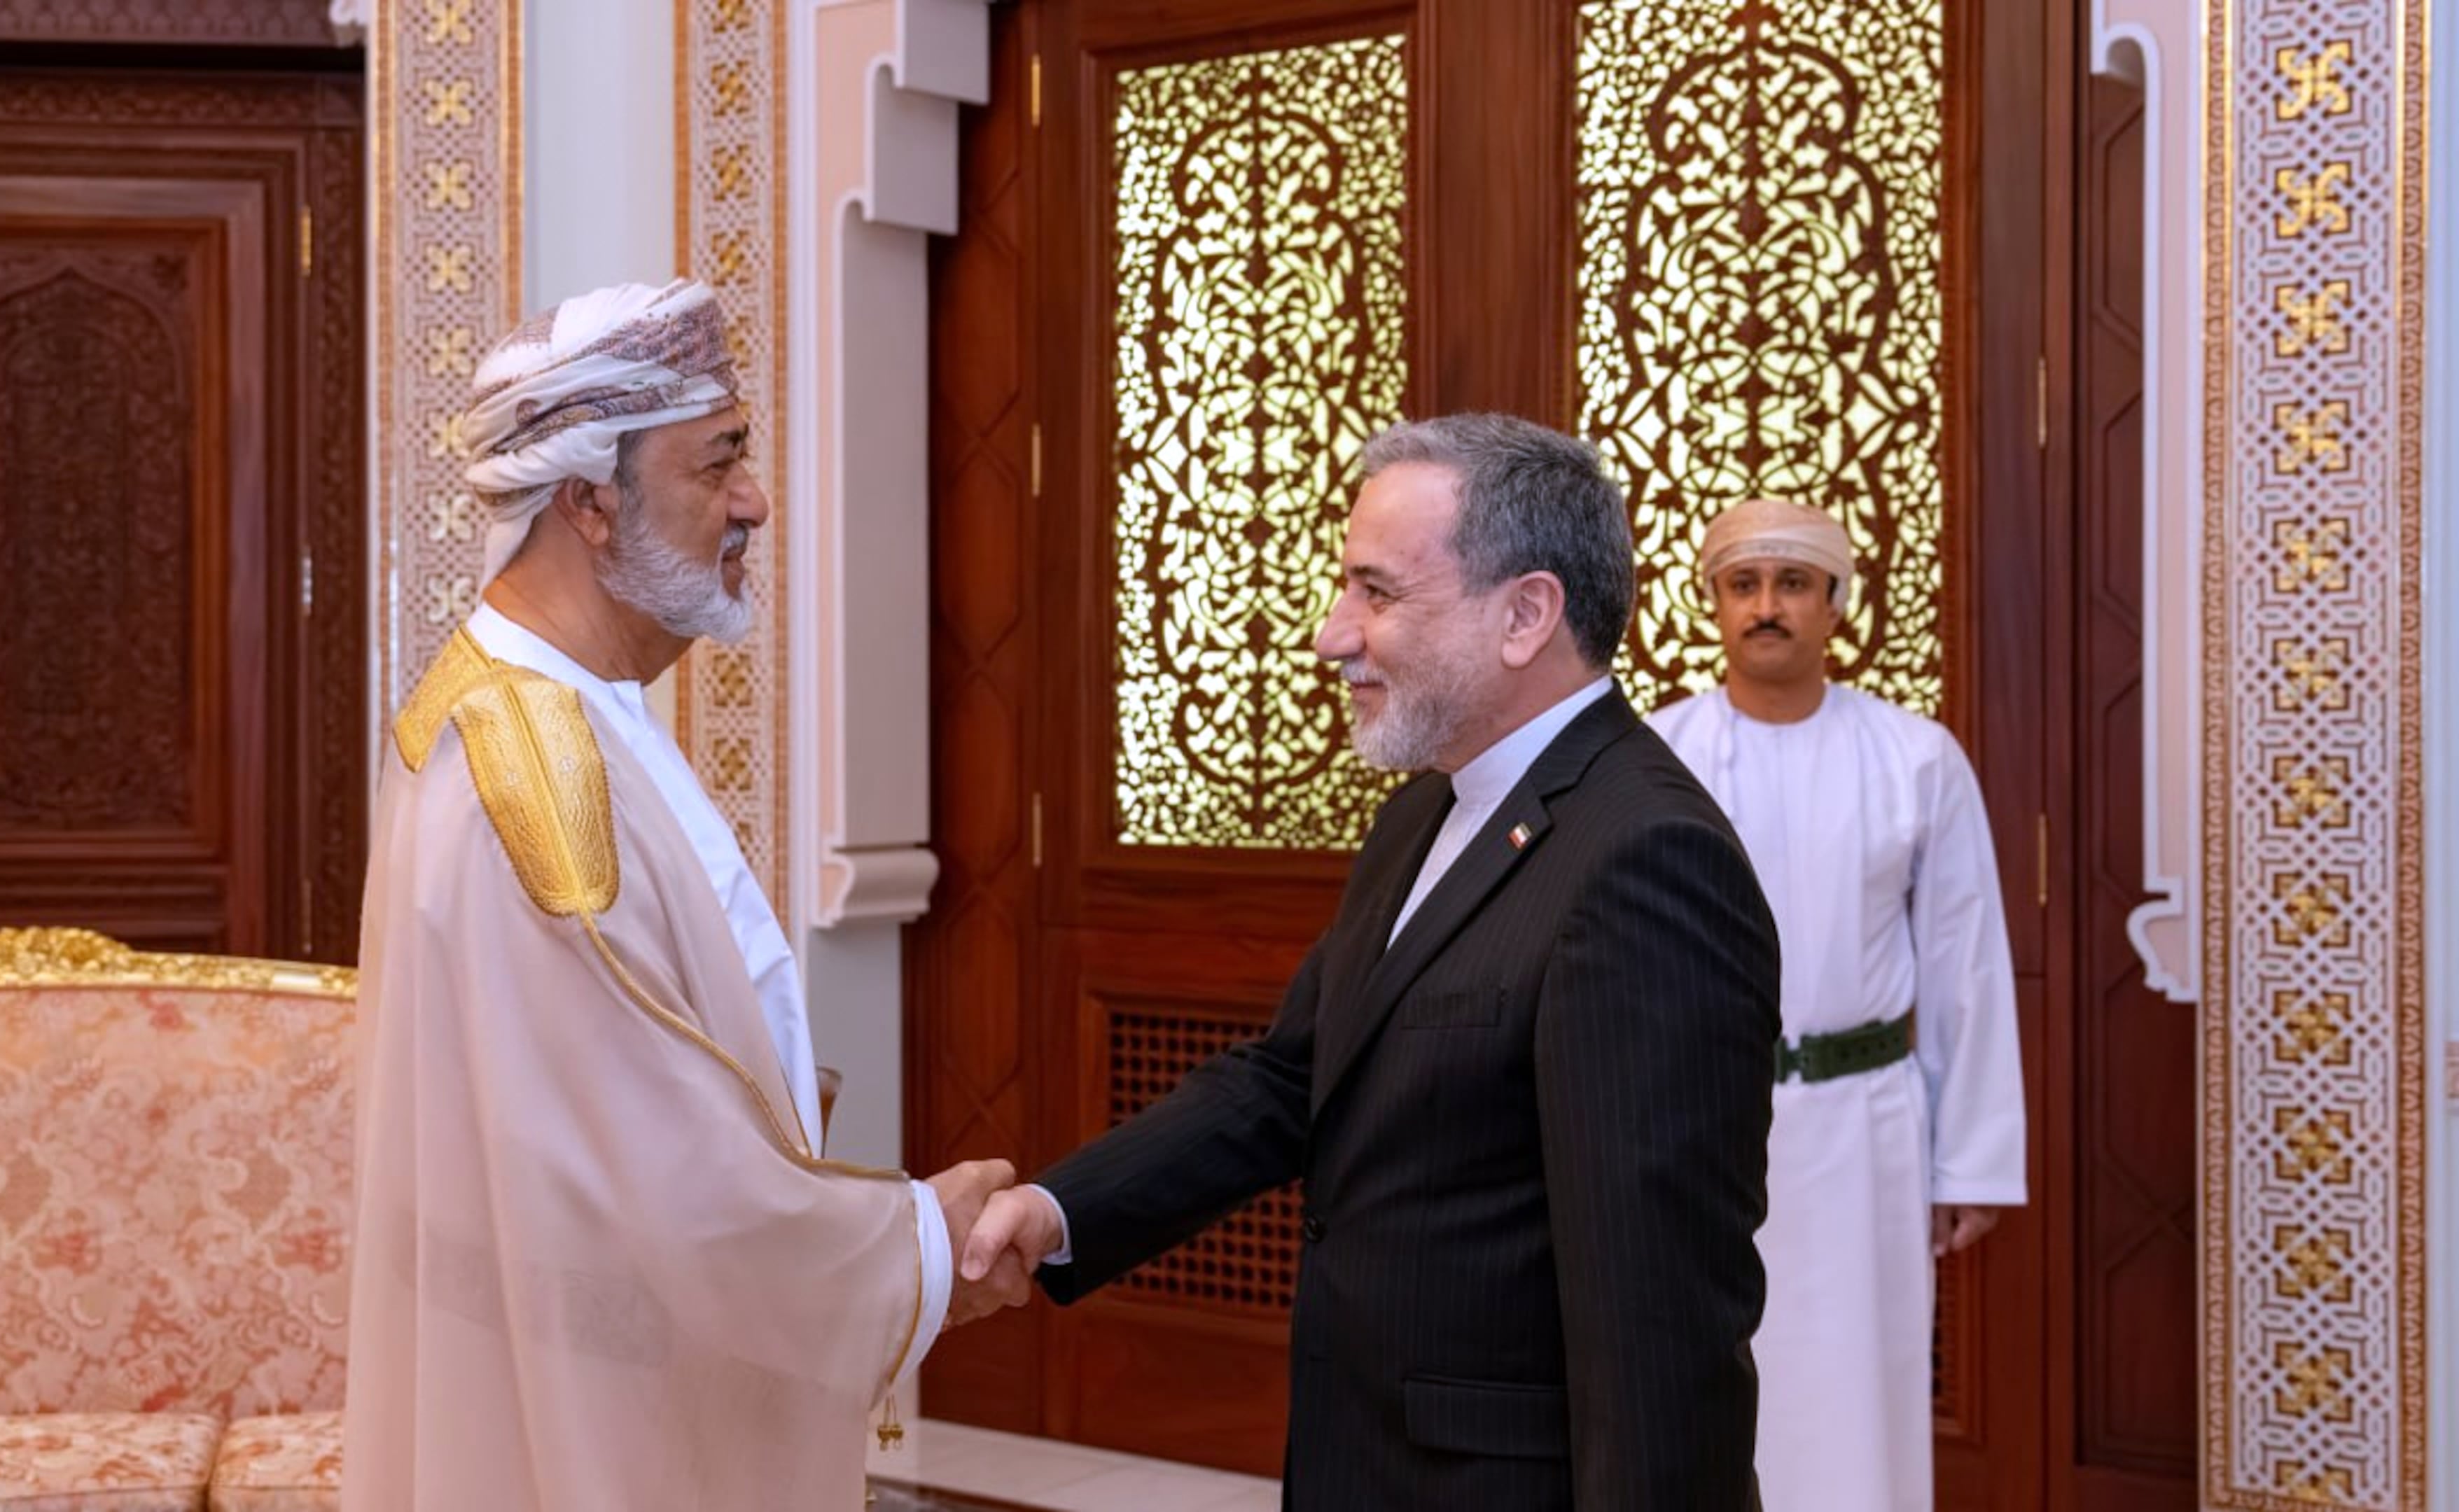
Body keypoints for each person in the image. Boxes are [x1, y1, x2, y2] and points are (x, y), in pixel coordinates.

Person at [963, 414, 1779, 1508]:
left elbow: (1661, 1328)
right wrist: (1062, 1211)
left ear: (1526, 614)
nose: (1331, 634)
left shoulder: (1645, 859)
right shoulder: (1427, 811)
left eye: (1377, 594)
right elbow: (1294, 1077)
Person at [342, 278, 1020, 1512]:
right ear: (591, 503)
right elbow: (658, 1180)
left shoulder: (538, 703)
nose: (753, 500)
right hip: (596, 1408)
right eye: (720, 463)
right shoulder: (532, 768)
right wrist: (922, 1246)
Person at [1645, 496, 2028, 1512]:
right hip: (1701, 1129)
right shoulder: (1654, 758)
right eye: (1744, 584)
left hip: (1867, 1131)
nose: (1767, 607)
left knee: (1865, 1382)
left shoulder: (1915, 759)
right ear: (1713, 602)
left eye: (1793, 584)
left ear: (1836, 604)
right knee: (1705, 1379)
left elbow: (1966, 964)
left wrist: (1971, 1157)